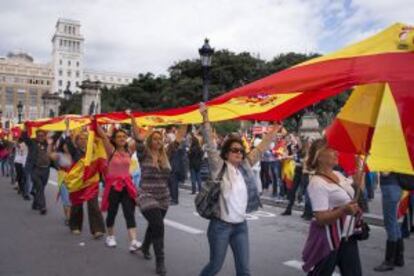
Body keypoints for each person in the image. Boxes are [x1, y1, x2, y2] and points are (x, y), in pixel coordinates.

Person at [199, 103, 284, 276]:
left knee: (244, 271)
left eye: (241, 150)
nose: (239, 153)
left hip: (240, 227)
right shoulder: (219, 167)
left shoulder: (245, 166)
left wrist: (274, 129)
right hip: (220, 227)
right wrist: (205, 118)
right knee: (215, 266)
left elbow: (260, 149)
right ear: (226, 153)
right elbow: (209, 144)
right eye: (234, 150)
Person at [130, 113, 184, 276]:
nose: (158, 141)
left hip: (163, 196)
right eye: (154, 138)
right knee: (158, 225)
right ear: (149, 141)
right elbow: (138, 140)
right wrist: (133, 120)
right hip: (146, 195)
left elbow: (179, 138)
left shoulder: (166, 154)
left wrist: (188, 119)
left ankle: (145, 246)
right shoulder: (143, 154)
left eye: (159, 139)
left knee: (155, 224)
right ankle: (160, 261)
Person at [302, 138, 364, 276]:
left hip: (347, 238)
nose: (337, 153)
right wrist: (343, 210)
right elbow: (320, 218)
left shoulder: (338, 174)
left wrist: (359, 171)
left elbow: (357, 190)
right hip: (329, 239)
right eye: (332, 150)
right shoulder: (317, 183)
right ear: (319, 157)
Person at [96, 118, 141, 253]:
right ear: (114, 139)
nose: (121, 138)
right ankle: (110, 236)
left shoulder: (129, 150)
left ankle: (133, 241)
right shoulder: (111, 151)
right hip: (113, 187)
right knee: (112, 213)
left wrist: (133, 119)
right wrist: (95, 121)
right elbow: (103, 136)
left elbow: (138, 136)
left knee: (129, 213)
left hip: (127, 186)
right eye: (119, 137)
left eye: (123, 136)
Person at [61, 124, 105, 238]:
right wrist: (67, 128)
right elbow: (68, 142)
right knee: (76, 205)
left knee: (94, 205)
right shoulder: (74, 151)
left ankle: (97, 230)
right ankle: (75, 226)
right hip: (78, 183)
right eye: (80, 138)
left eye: (85, 138)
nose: (83, 140)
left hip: (91, 181)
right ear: (76, 141)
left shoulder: (93, 151)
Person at [374, 172, 404, 272]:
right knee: (394, 222)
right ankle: (399, 258)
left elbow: (385, 173)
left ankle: (389, 261)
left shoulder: (388, 158)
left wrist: (381, 168)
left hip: (389, 188)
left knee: (390, 224)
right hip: (396, 188)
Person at [21, 128, 52, 215]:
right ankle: (43, 207)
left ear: (45, 136)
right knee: (40, 187)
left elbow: (57, 136)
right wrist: (25, 128)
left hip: (46, 169)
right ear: (36, 136)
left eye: (42, 136)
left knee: (41, 187)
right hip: (35, 169)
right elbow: (24, 137)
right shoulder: (32, 143)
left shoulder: (48, 143)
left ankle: (35, 204)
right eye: (39, 136)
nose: (40, 137)